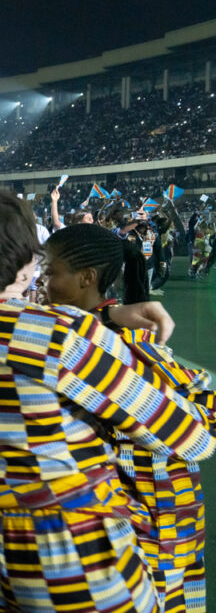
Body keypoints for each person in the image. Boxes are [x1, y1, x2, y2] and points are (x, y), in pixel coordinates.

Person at [0, 188, 216, 613]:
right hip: (68, 555)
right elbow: (188, 437)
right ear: (23, 263)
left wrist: (106, 315)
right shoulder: (63, 334)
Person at [42, 223, 214, 612]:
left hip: (150, 516)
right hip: (133, 516)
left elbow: (203, 414)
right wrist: (109, 315)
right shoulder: (87, 331)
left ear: (86, 278)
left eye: (50, 271)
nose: (41, 281)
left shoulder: (124, 345)